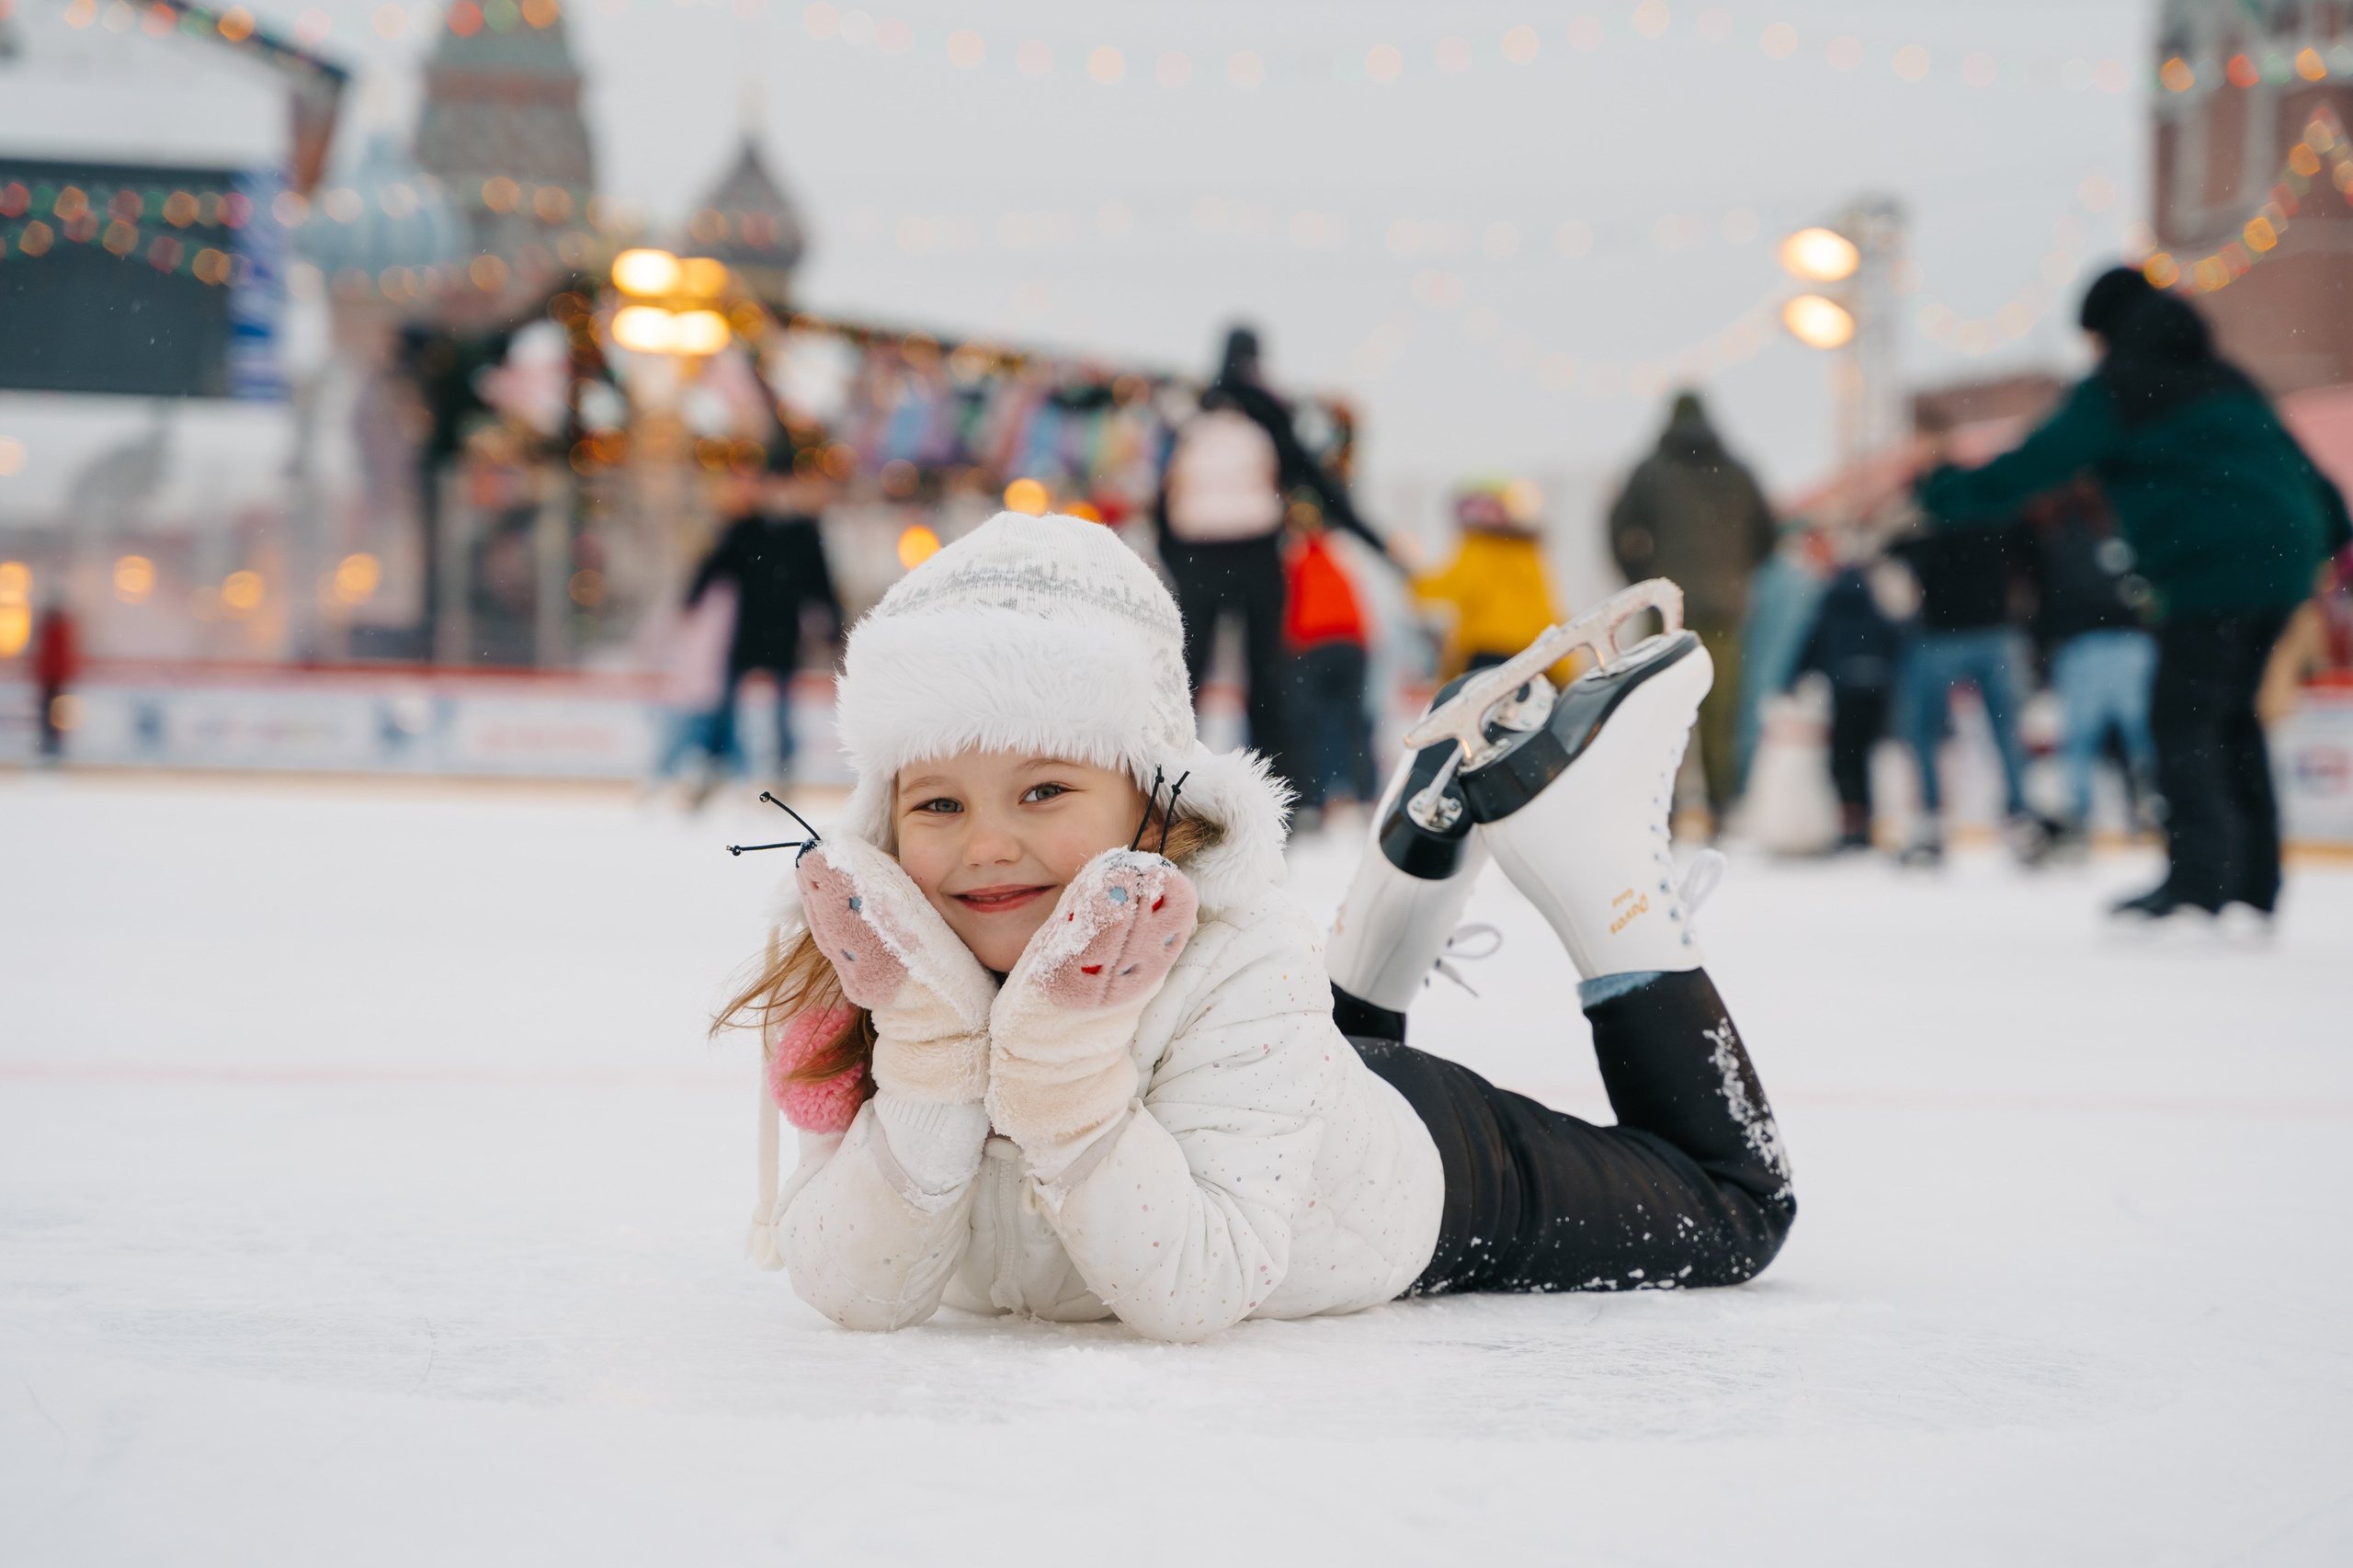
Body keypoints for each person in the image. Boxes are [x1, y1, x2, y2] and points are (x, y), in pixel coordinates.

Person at [726, 511, 1792, 1341]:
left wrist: (1062, 1073)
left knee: (1735, 1207)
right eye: (938, 802)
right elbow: (853, 1286)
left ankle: (1598, 865)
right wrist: (928, 1053)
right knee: (1297, 1050)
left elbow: (1199, 1280)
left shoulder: (1241, 965)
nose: (986, 843)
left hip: (1411, 1168)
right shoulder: (881, 971)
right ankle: (1409, 860)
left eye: (1043, 789)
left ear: (1157, 801)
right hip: (1288, 1079)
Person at [1916, 268, 2352, 922]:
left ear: (2105, 331)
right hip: (2287, 559)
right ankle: (2252, 883)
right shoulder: (2228, 379)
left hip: (2212, 567)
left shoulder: (2120, 387)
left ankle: (2199, 885)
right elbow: (2305, 470)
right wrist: (2329, 539)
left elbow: (2037, 463)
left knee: (2183, 719)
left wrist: (1943, 491)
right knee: (2233, 718)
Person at [1156, 326, 1387, 790]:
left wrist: (1178, 562)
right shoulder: (1267, 414)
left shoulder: (1193, 420)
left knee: (1188, 674)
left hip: (1198, 558)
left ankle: (1166, 778)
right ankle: (1274, 788)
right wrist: (1377, 541)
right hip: (1256, 556)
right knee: (1266, 682)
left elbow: (1162, 502)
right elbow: (1318, 484)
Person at [1608, 391, 1779, 828]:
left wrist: (1640, 579)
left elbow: (1617, 526)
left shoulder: (1651, 471)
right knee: (1720, 710)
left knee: (1662, 707)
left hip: (1667, 608)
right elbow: (1768, 534)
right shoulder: (1738, 472)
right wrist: (1736, 573)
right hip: (1725, 606)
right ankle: (1721, 808)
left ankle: (1661, 809)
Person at [1885, 488, 2042, 866]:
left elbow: (1893, 551)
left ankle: (1931, 823)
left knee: (1925, 730)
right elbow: (2033, 557)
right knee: (2004, 730)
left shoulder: (1931, 518)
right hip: (1989, 632)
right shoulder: (1997, 515)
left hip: (1945, 636)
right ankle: (2020, 819)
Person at [685, 470, 843, 798]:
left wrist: (833, 626)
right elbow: (714, 565)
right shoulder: (747, 530)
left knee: (782, 707)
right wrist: (692, 598)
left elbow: (822, 583)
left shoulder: (803, 533)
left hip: (784, 635)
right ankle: (715, 763)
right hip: (748, 633)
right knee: (727, 702)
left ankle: (783, 769)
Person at [2022, 478, 2158, 848]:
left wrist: (2043, 644)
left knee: (2102, 737)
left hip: (2096, 644)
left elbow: (2058, 594)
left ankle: (2096, 815)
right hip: (2110, 643)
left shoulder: (2072, 532)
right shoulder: (2114, 526)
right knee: (2127, 735)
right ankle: (2145, 806)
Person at [1789, 561, 1906, 851]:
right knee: (1868, 759)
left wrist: (1790, 684)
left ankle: (1851, 820)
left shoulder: (1829, 616)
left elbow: (1808, 653)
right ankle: (1870, 820)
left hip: (1845, 696)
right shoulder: (1876, 615)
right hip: (1877, 696)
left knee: (1842, 760)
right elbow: (1900, 648)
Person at [1411, 482, 1567, 677]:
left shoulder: (1477, 546)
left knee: (1481, 694)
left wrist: (1415, 583)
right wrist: (1563, 664)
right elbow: (1546, 607)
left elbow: (1453, 585)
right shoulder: (1527, 551)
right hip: (1526, 650)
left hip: (1485, 647)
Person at [1280, 511, 1377, 826]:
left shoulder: (1292, 556)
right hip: (1352, 642)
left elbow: (1285, 604)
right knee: (1355, 721)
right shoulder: (1342, 552)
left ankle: (1310, 800)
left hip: (1310, 644)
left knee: (1309, 724)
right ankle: (1365, 795)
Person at [31, 594, 78, 763]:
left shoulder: (53, 630)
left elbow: (52, 657)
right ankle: (51, 745)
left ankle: (50, 745)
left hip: (52, 678)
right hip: (54, 678)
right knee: (52, 714)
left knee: (50, 714)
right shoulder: (60, 629)